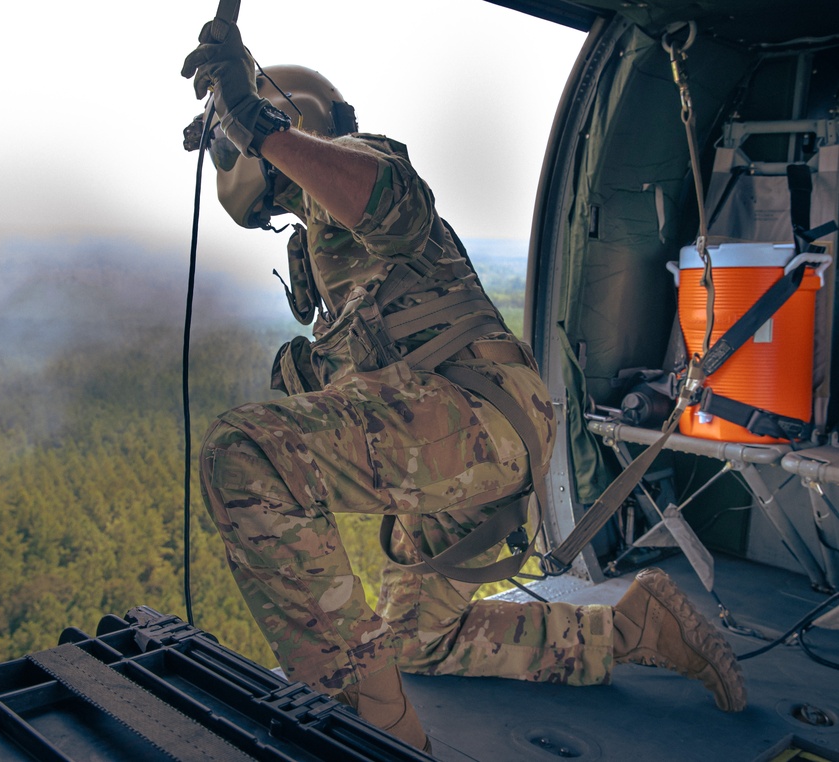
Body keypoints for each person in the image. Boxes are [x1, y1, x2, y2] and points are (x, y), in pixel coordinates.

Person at [182, 22, 746, 752]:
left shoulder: (356, 160)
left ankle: (372, 734)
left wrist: (261, 132)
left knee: (244, 453)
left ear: (285, 121)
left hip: (478, 418)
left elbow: (396, 207)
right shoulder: (320, 244)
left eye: (237, 142)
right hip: (463, 433)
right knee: (417, 642)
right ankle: (628, 630)